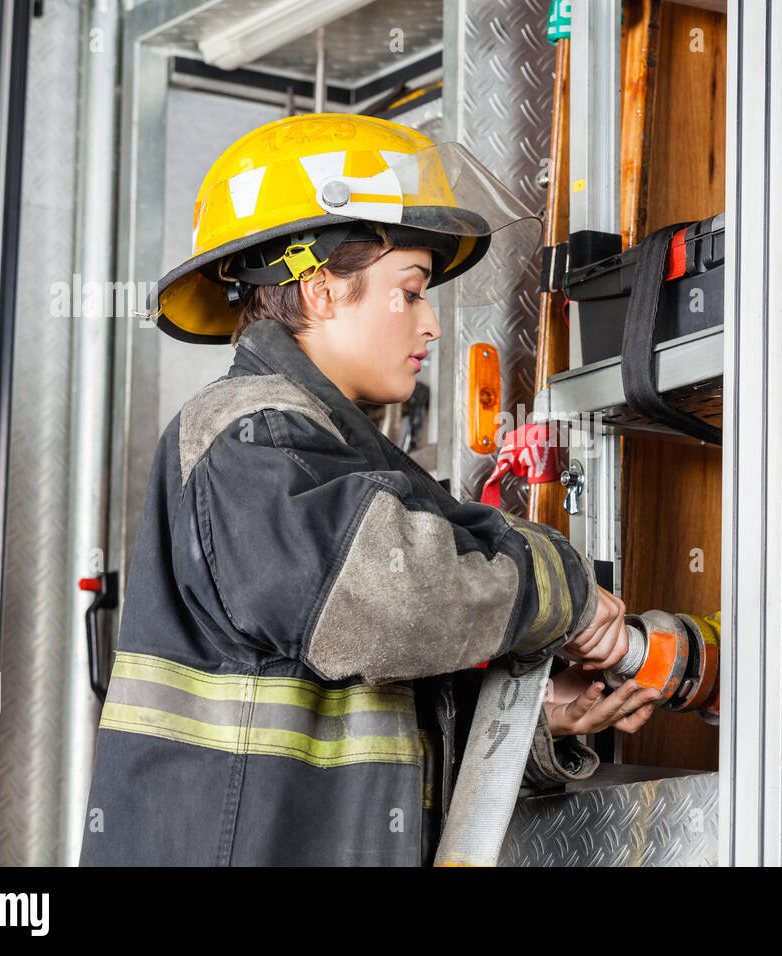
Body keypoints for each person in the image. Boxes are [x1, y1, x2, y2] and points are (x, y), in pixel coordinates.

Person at [79, 113, 660, 866]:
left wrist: (538, 720)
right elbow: (394, 604)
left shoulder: (328, 454)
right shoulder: (248, 438)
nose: (431, 325)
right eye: (411, 291)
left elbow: (367, 721)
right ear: (320, 291)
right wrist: (564, 588)